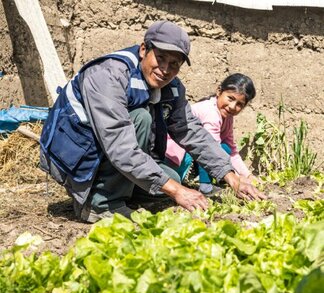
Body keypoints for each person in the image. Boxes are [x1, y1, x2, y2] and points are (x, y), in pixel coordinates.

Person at [39, 20, 266, 223]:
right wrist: (177, 191)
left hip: (107, 155)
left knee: (172, 178)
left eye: (174, 64)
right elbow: (120, 146)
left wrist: (231, 175)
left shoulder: (172, 87)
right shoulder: (109, 75)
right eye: (160, 58)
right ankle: (99, 204)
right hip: (76, 158)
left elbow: (191, 131)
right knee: (141, 118)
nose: (165, 70)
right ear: (143, 50)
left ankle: (124, 192)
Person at [166, 73, 260, 195]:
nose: (232, 106)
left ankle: (204, 180)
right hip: (175, 157)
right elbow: (209, 149)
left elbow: (232, 151)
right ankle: (205, 186)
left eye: (239, 104)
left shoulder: (227, 116)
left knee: (225, 148)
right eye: (230, 98)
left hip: (190, 154)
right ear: (219, 91)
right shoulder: (210, 112)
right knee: (217, 148)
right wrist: (236, 179)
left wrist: (247, 175)